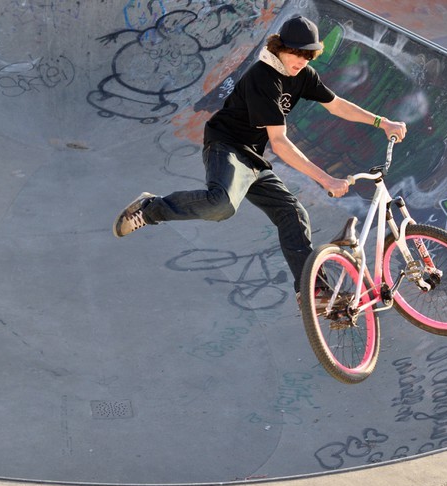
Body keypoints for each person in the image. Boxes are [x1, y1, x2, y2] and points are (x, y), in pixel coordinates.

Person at [113, 15, 407, 299]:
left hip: (253, 157)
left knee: (293, 214)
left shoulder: (303, 75)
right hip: (226, 145)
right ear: (280, 49)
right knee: (222, 204)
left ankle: (314, 291)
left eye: (308, 56)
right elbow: (279, 143)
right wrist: (325, 179)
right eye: (296, 54)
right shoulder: (262, 78)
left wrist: (382, 122)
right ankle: (150, 209)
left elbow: (336, 105)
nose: (301, 61)